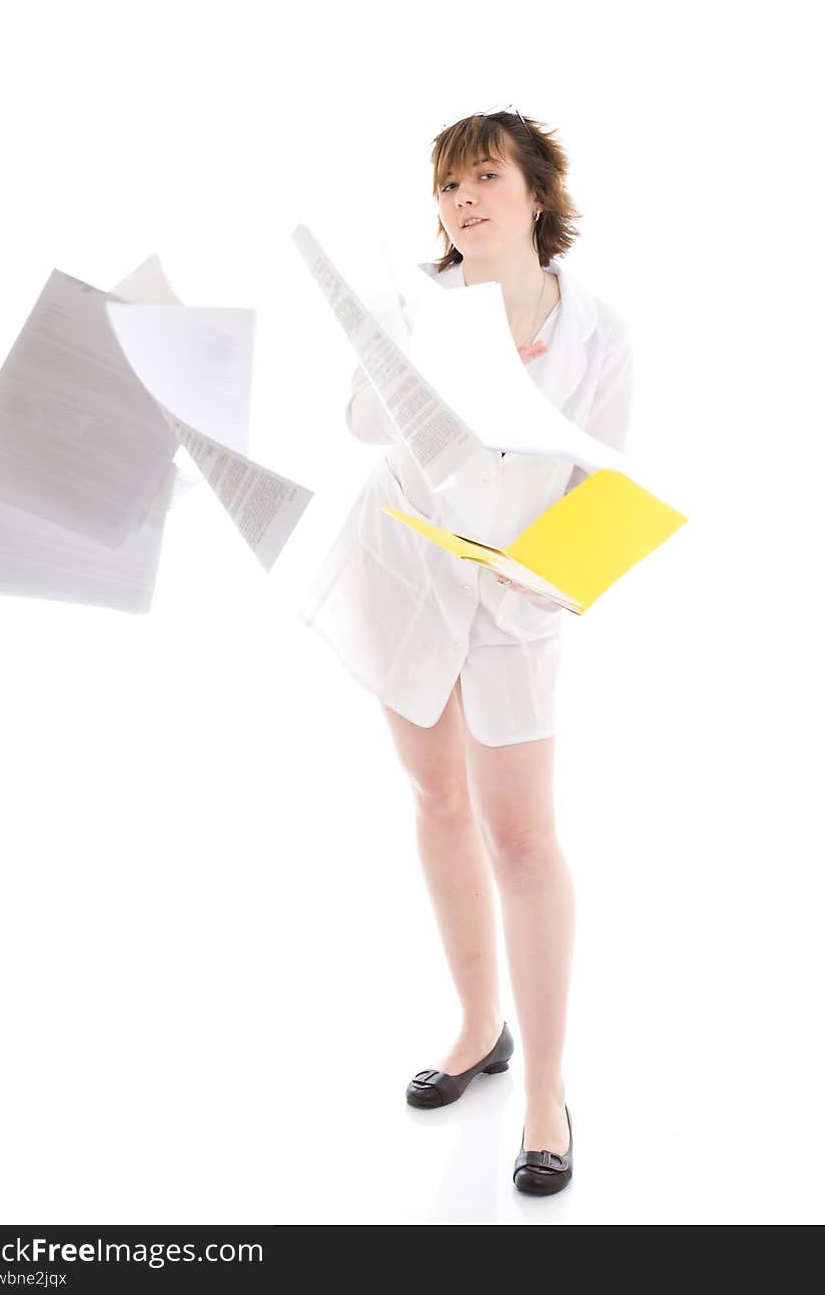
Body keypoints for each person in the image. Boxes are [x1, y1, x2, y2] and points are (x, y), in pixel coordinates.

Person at [299, 108, 634, 1195]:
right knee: (436, 800)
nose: (462, 200)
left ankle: (544, 1084)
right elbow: (358, 417)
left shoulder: (599, 333)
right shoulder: (419, 307)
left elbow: (604, 488)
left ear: (536, 193)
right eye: (447, 186)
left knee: (523, 835)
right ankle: (476, 1025)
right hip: (406, 567)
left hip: (514, 596)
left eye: (484, 176)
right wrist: (403, 363)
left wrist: (535, 569)